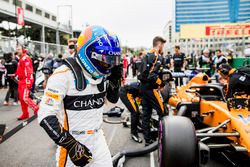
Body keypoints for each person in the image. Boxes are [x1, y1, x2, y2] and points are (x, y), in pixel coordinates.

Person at [38, 25, 122, 167]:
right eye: (104, 59)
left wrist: (115, 82)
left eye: (111, 59)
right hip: (73, 141)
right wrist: (71, 145)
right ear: (88, 52)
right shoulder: (62, 75)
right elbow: (45, 115)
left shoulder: (103, 75)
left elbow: (111, 103)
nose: (108, 65)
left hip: (98, 139)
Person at [138, 36, 168, 146]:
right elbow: (152, 75)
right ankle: (164, 139)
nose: (162, 47)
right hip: (151, 89)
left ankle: (148, 140)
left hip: (143, 88)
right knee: (163, 112)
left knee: (146, 114)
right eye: (162, 45)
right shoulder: (156, 56)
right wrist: (161, 83)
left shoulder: (146, 55)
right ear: (159, 44)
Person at [15, 45, 39, 120]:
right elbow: (20, 69)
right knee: (21, 98)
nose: (17, 50)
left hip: (26, 80)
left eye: (19, 49)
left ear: (23, 50)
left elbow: (28, 70)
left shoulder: (25, 58)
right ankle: (25, 114)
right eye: (17, 49)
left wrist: (29, 81)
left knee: (25, 98)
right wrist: (15, 75)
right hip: (21, 81)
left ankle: (37, 109)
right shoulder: (21, 58)